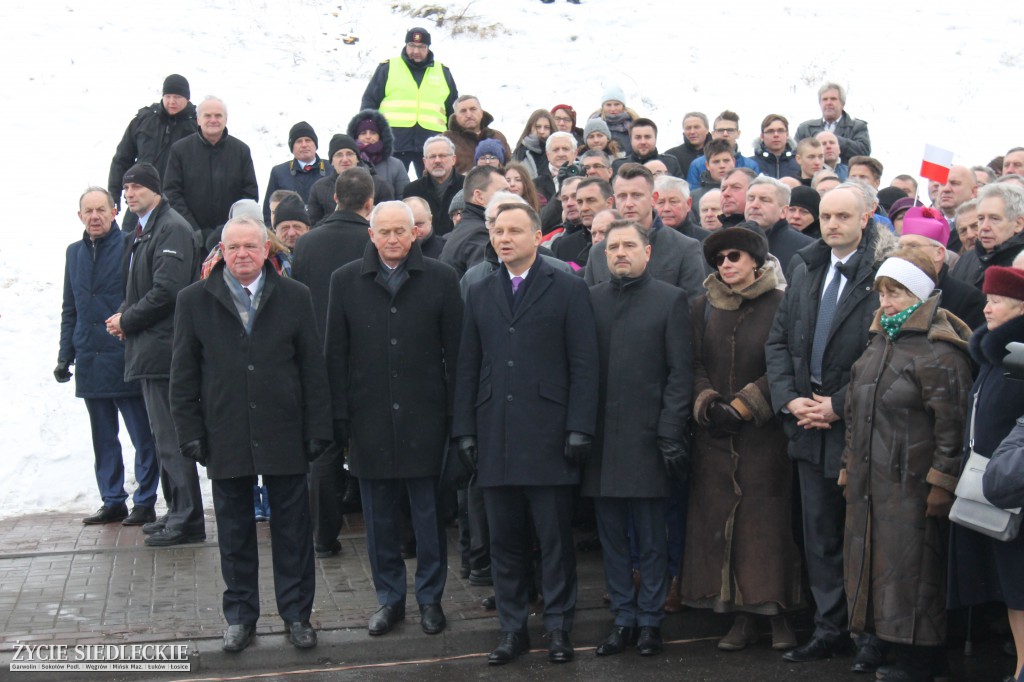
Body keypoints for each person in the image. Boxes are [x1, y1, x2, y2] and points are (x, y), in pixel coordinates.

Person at [169, 215, 332, 653]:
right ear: (221, 251)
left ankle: (297, 614)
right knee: (235, 533)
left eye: (250, 246)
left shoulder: (296, 297)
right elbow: (182, 376)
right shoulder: (193, 301)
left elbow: (313, 369)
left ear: (266, 250)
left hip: (284, 432)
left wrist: (318, 428)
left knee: (294, 532)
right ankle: (240, 617)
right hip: (225, 433)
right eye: (233, 247)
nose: (242, 254)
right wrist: (190, 433)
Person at [453, 202, 599, 665]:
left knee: (555, 542)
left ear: (538, 236)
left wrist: (579, 426)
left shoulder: (569, 288)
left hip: (549, 436)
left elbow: (584, 365)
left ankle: (558, 628)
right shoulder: (480, 290)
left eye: (515, 231)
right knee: (505, 543)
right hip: (495, 435)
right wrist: (465, 431)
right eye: (498, 231)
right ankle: (512, 630)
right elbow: (468, 366)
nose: (505, 238)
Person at [765, 182, 897, 672]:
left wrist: (839, 405)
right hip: (806, 424)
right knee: (818, 535)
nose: (833, 224)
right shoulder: (806, 267)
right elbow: (779, 342)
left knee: (862, 537)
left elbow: (886, 353)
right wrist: (790, 399)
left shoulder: (882, 275)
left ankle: (870, 635)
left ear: (866, 218)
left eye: (844, 216)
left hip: (856, 430)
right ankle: (829, 629)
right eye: (826, 216)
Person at [324, 200, 462, 638]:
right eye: (384, 232)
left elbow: (457, 355)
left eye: (401, 230)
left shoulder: (441, 278)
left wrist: (456, 420)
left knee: (428, 518)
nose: (393, 239)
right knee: (378, 520)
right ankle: (389, 599)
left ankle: (430, 599)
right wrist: (340, 420)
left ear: (415, 232)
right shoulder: (345, 281)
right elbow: (335, 357)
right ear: (371, 234)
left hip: (426, 419)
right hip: (369, 421)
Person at [841, 249, 973, 682]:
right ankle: (904, 657)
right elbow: (856, 414)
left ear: (918, 292)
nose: (886, 300)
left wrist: (941, 483)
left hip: (913, 486)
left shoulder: (939, 352)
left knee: (917, 576)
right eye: (882, 291)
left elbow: (952, 426)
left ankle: (923, 665)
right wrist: (848, 466)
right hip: (872, 483)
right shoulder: (880, 342)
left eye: (895, 291)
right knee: (884, 572)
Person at [684, 225, 802, 652]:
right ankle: (738, 618)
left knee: (766, 530)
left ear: (755, 260)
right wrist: (709, 404)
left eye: (734, 256)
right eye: (719, 260)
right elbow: (692, 363)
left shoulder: (783, 303)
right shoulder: (702, 308)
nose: (727, 265)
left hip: (765, 439)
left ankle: (778, 616)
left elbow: (788, 364)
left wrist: (746, 406)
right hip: (714, 438)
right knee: (720, 528)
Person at [586, 219, 693, 657]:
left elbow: (680, 375)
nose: (620, 253)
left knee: (651, 538)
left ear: (647, 252)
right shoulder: (590, 301)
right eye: (613, 248)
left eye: (629, 245)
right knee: (612, 538)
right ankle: (623, 619)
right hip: (600, 443)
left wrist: (669, 431)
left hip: (649, 439)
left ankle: (651, 620)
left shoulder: (671, 301)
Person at [104, 163, 204, 548]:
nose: (129, 193)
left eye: (137, 187)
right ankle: (176, 510)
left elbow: (168, 290)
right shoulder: (145, 229)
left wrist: (127, 318)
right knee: (161, 436)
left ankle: (188, 518)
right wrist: (125, 317)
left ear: (155, 190)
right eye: (126, 188)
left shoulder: (171, 228)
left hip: (165, 349)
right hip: (149, 347)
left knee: (172, 435)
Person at [58, 187, 158, 526]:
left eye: (101, 209)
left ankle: (145, 500)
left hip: (125, 355)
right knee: (103, 438)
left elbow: (139, 296)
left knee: (142, 435)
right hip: (89, 357)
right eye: (88, 211)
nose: (95, 216)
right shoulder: (73, 253)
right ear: (80, 216)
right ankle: (112, 498)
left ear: (115, 211)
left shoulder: (131, 245)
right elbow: (70, 307)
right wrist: (64, 355)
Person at [291, 167, 375, 557]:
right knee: (374, 443)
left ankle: (323, 538)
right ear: (369, 203)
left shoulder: (307, 244)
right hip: (368, 357)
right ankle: (392, 534)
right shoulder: (373, 240)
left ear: (335, 197)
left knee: (323, 451)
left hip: (321, 359)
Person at [948, 264, 1024, 682]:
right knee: (1014, 590)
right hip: (997, 485)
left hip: (1016, 485)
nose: (987, 307)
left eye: (997, 301)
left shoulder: (1019, 355)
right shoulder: (999, 354)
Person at [585, 163, 707, 301]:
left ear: (653, 198)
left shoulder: (685, 248)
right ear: (614, 200)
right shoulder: (597, 252)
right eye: (622, 196)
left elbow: (693, 306)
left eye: (636, 195)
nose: (629, 203)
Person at [163, 96, 259, 250]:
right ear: (198, 120)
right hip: (190, 238)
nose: (213, 120)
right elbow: (172, 193)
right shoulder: (180, 150)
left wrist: (228, 230)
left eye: (218, 115)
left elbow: (249, 194)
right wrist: (193, 229)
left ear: (226, 119)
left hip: (232, 241)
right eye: (207, 116)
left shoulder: (241, 151)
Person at [361, 27, 458, 176]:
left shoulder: (443, 72)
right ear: (406, 45)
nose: (416, 51)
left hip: (432, 146)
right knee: (389, 189)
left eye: (421, 46)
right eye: (411, 45)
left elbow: (453, 111)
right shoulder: (388, 68)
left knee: (433, 191)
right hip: (394, 142)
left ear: (428, 48)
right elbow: (369, 103)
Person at [108, 75, 198, 234]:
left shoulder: (197, 125)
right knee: (129, 249)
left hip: (178, 205)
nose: (172, 102)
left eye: (177, 97)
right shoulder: (144, 120)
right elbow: (121, 160)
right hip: (139, 200)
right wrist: (113, 195)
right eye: (168, 96)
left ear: (187, 98)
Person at [899, 207, 986, 330]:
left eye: (913, 246)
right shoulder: (891, 292)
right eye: (900, 246)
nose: (903, 253)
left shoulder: (968, 299)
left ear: (939, 253)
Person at [439, 166, 509, 277]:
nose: (511, 198)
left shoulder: (467, 228)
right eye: (503, 192)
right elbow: (485, 283)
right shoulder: (480, 233)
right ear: (479, 196)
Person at [950, 184, 1024, 289]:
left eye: (994, 218)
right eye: (981, 219)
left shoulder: (1020, 264)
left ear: (1018, 224)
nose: (984, 227)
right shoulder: (966, 259)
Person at [744, 176, 815, 278]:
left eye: (764, 200)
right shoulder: (729, 240)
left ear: (783, 211)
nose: (754, 205)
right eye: (751, 199)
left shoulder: (806, 248)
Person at [261, 122, 326, 225]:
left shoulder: (331, 169)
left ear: (315, 144)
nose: (304, 145)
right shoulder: (279, 173)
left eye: (308, 140)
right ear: (292, 147)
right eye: (299, 141)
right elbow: (268, 213)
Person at [402, 136, 465, 238]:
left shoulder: (466, 187)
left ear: (453, 159)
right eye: (432, 156)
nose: (437, 160)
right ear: (424, 162)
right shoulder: (412, 190)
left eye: (442, 156)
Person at [795, 83, 871, 163]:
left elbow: (864, 152)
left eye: (833, 99)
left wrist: (832, 139)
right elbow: (796, 155)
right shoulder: (805, 128)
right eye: (825, 99)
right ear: (820, 103)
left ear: (842, 103)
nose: (828, 103)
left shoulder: (857, 127)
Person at [686, 111, 760, 190]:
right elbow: (693, 195)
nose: (725, 134)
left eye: (730, 130)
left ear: (738, 133)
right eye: (720, 130)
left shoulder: (751, 166)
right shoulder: (697, 165)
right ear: (713, 134)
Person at [347, 109, 411, 198]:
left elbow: (405, 197)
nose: (368, 137)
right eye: (363, 133)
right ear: (356, 136)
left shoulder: (396, 165)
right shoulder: (347, 163)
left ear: (381, 136)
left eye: (373, 133)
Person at [443, 95, 511, 174]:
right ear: (455, 117)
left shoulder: (497, 136)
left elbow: (510, 167)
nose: (468, 115)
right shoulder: (446, 140)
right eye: (463, 111)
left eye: (473, 109)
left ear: (481, 112)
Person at [611, 118, 682, 176]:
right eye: (638, 137)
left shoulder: (670, 162)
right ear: (631, 140)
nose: (643, 142)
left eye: (647, 137)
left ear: (655, 138)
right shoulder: (619, 165)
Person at [589, 86, 636, 154]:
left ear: (623, 105)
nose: (613, 109)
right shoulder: (594, 123)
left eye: (617, 104)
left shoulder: (634, 123)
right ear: (603, 106)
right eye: (608, 105)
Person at [664, 112, 712, 179]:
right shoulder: (671, 156)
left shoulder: (719, 153)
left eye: (696, 127)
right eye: (688, 128)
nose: (692, 132)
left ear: (707, 129)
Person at [752, 114, 800, 180]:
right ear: (762, 136)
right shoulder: (751, 164)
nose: (776, 135)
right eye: (770, 131)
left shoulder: (799, 163)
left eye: (780, 130)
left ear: (787, 134)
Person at [512, 109, 556, 179]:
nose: (542, 131)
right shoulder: (520, 152)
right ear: (530, 128)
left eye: (546, 127)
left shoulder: (557, 150)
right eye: (538, 127)